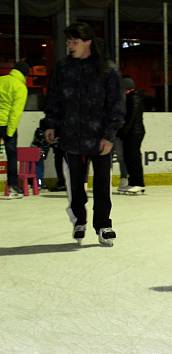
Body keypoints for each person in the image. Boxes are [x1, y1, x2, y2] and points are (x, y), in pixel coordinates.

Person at [43, 22, 125, 246]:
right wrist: (50, 124)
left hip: (100, 139)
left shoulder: (107, 69)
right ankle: (79, 218)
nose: (70, 45)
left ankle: (103, 224)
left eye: (74, 41)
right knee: (75, 184)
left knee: (102, 184)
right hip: (70, 137)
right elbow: (54, 99)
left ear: (87, 42)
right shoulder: (63, 68)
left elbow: (116, 105)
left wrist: (109, 135)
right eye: (68, 41)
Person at [0, 61, 30, 199]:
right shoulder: (20, 87)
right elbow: (16, 112)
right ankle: (12, 187)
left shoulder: (2, 80)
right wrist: (10, 132)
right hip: (6, 124)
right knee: (12, 156)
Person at [118, 77, 146, 193]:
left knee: (134, 158)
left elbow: (131, 118)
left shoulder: (134, 98)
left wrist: (123, 131)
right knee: (129, 158)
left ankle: (138, 183)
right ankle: (133, 181)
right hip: (131, 132)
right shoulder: (130, 98)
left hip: (134, 133)